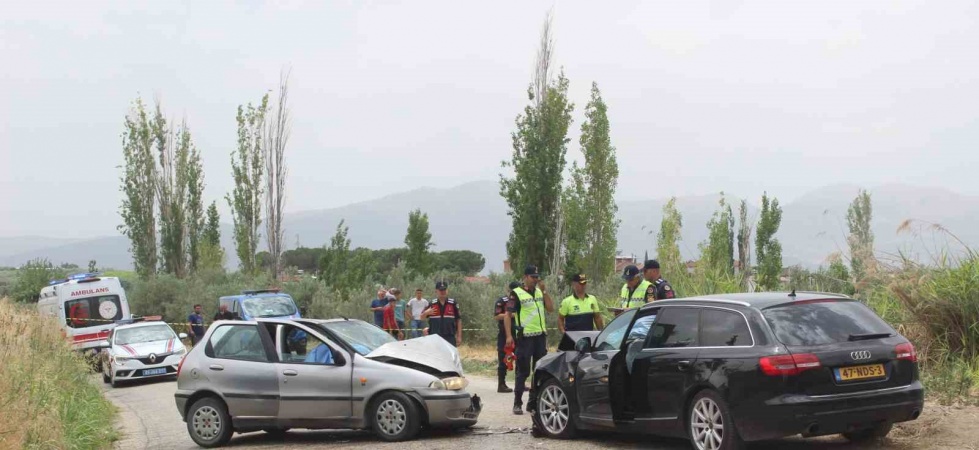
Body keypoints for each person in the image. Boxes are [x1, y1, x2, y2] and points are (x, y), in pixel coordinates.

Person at [504, 265, 555, 415]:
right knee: (523, 371)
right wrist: (508, 335)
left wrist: (545, 291)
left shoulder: (539, 292)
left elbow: (551, 308)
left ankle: (533, 402)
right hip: (525, 337)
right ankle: (517, 402)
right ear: (525, 277)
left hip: (540, 336)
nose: (535, 280)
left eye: (537, 277)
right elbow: (508, 315)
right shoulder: (516, 293)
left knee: (539, 371)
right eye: (533, 277)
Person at [494, 281, 520, 393]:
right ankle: (501, 384)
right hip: (505, 334)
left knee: (520, 358)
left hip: (519, 333)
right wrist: (510, 315)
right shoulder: (502, 301)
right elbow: (496, 316)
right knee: (503, 358)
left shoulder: (521, 301)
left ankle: (520, 384)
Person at [421, 281, 462, 347]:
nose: (443, 292)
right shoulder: (432, 304)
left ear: (447, 290)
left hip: (450, 336)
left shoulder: (453, 303)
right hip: (434, 337)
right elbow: (421, 317)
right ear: (436, 291)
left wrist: (459, 336)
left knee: (449, 356)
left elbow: (458, 320)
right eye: (441, 290)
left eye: (444, 290)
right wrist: (426, 313)